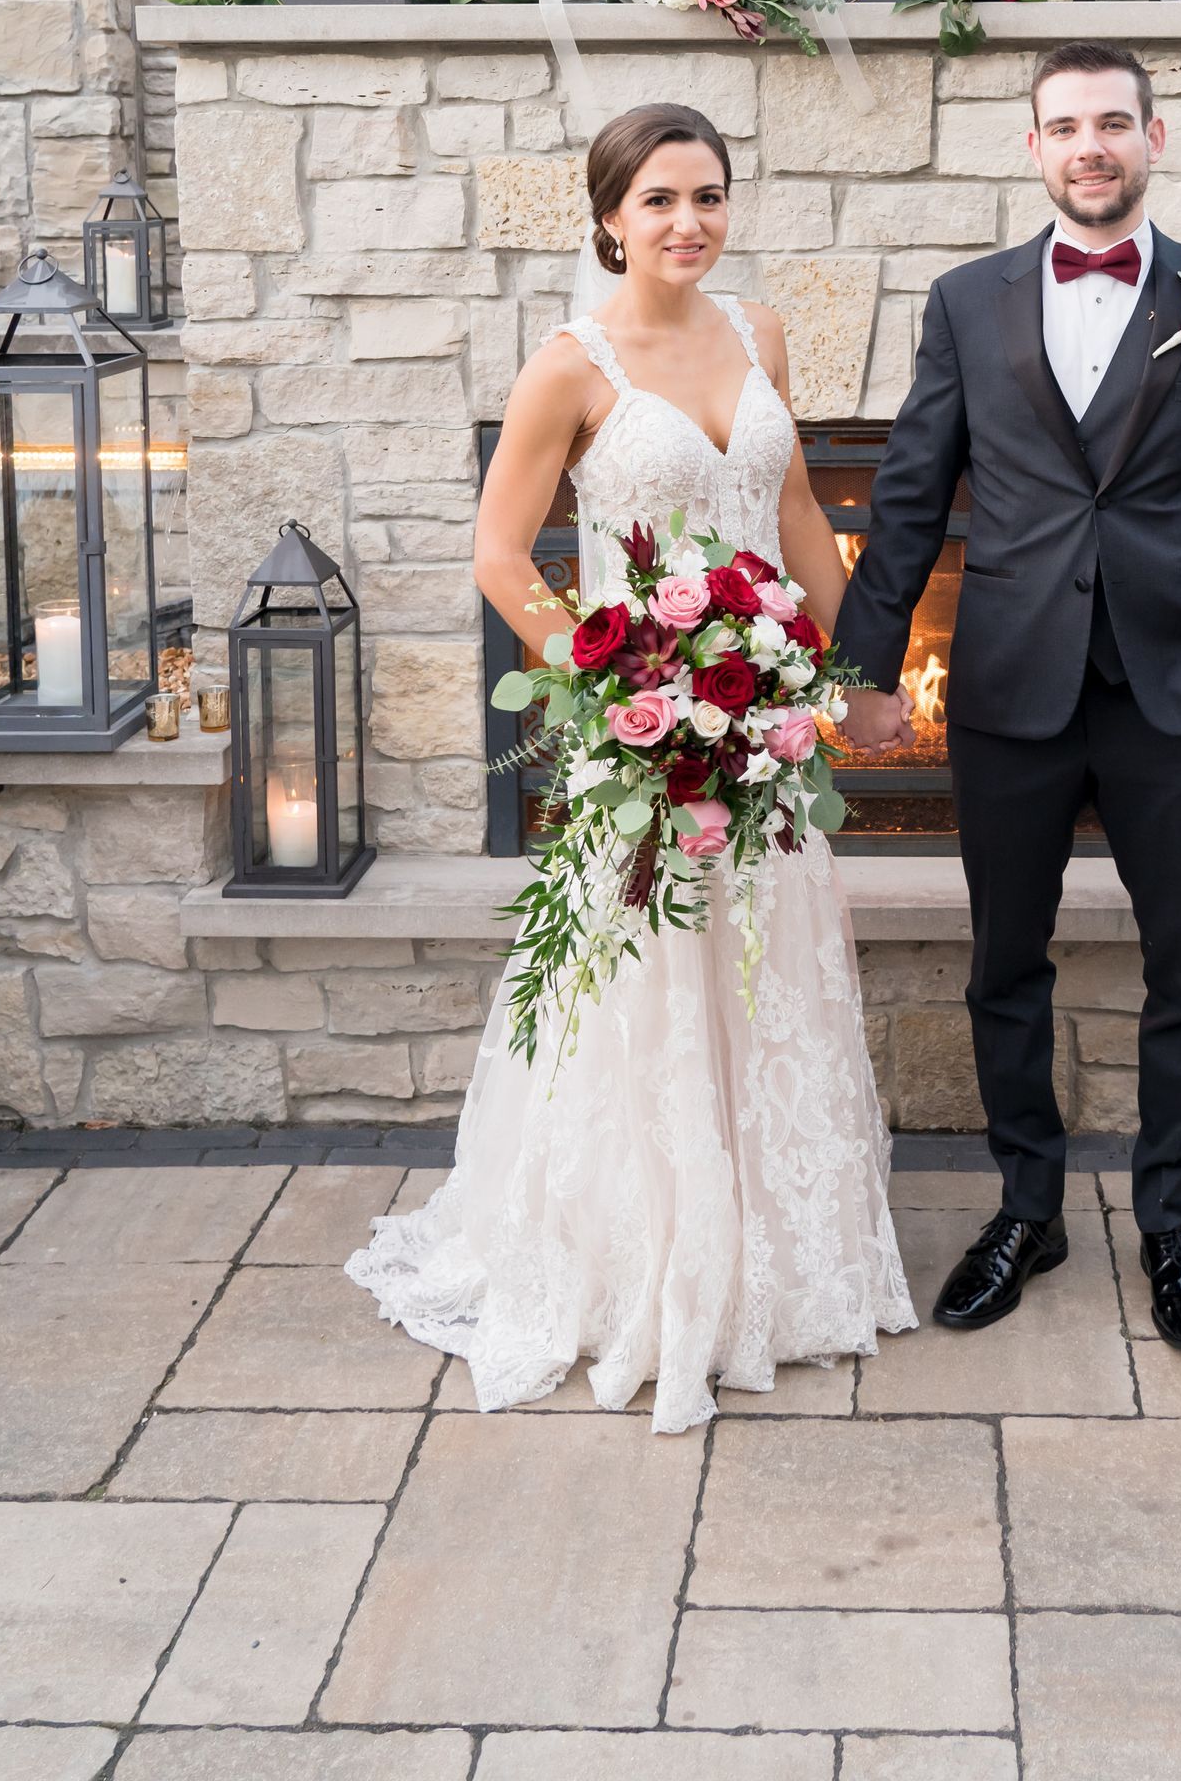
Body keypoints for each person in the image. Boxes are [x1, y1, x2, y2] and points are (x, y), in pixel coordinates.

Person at [347, 103, 912, 1430]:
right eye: (658, 200)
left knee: (762, 979)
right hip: (644, 738)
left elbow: (792, 516)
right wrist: (609, 683)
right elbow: (499, 555)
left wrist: (853, 675)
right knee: (644, 987)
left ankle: (772, 1256)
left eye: (708, 196)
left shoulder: (760, 333)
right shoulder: (570, 365)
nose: (687, 224)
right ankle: (638, 1265)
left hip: (762, 729)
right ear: (609, 218)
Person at [835, 40, 1181, 1355]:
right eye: (1064, 125)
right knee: (1005, 962)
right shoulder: (968, 303)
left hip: (1175, 690)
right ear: (1032, 147)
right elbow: (911, 496)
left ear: (1155, 135)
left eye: (1112, 122)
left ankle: (1170, 1224)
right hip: (1011, 688)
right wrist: (861, 672)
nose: (1089, 145)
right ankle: (1028, 1209)